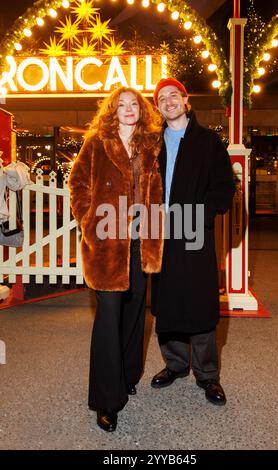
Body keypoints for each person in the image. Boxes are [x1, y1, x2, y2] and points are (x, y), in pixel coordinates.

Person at [68, 87, 163, 432]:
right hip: (107, 243)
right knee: (108, 318)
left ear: (141, 110)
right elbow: (78, 184)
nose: (128, 109)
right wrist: (88, 221)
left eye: (133, 104)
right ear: (112, 111)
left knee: (136, 312)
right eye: (121, 104)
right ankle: (106, 400)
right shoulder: (97, 142)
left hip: (142, 242)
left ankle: (127, 375)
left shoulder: (151, 145)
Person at [151, 78, 235, 406]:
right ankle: (174, 364)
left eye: (174, 95)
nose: (169, 101)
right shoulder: (152, 142)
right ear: (157, 106)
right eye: (162, 98)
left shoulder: (208, 141)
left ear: (185, 100)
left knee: (200, 303)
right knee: (166, 301)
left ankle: (207, 373)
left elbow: (224, 186)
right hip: (160, 233)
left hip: (195, 232)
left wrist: (201, 216)